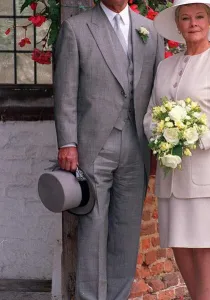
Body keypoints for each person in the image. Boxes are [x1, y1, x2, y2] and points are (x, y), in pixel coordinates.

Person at [54, 0, 164, 298]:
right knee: (92, 228)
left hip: (137, 144)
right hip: (93, 145)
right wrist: (68, 142)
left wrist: (158, 145)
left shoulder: (150, 30)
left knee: (127, 231)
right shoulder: (76, 29)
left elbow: (158, 91)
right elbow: (65, 93)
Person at [144, 0, 210, 299]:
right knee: (179, 242)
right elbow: (152, 112)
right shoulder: (166, 66)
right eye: (186, 18)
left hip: (208, 170)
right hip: (172, 171)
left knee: (204, 242)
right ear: (177, 24)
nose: (193, 23)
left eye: (199, 17)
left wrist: (195, 139)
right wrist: (160, 136)